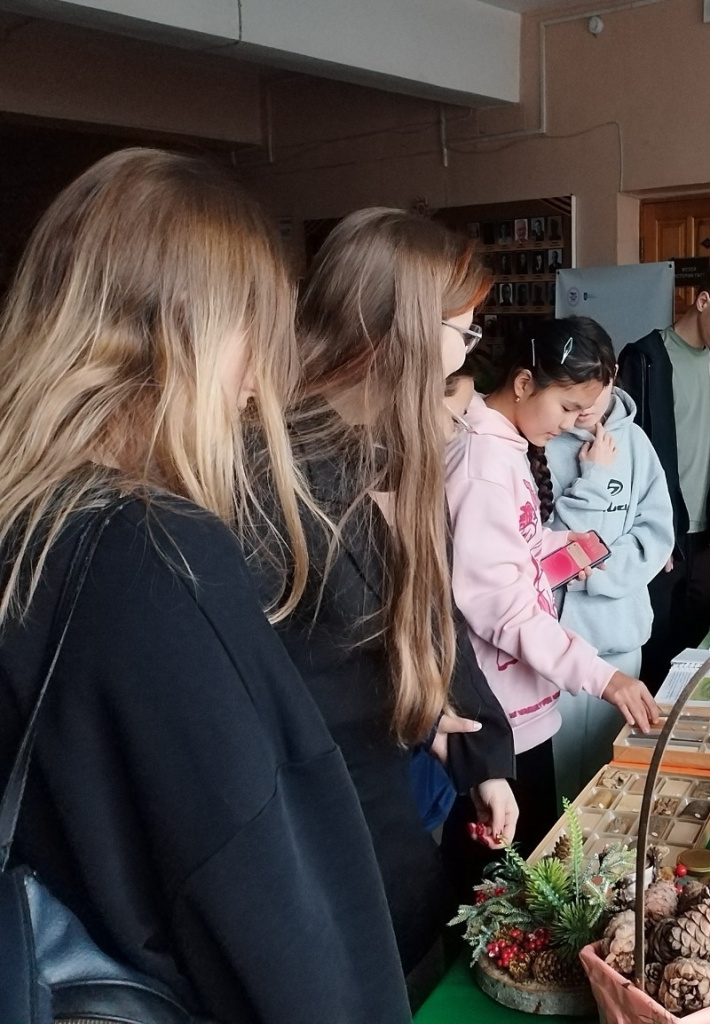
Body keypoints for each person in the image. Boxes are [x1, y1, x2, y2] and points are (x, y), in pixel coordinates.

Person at [0, 149, 409, 1021]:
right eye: (248, 337)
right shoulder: (151, 553)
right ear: (176, 336)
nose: (257, 383)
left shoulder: (29, 523)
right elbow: (273, 907)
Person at [280, 209, 518, 981]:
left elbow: (431, 613)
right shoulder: (272, 472)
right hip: (323, 853)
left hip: (393, 825)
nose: (466, 354)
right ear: (400, 329)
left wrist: (481, 757)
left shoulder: (380, 450)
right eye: (462, 332)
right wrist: (408, 705)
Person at [447, 317, 662, 851]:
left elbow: (512, 546)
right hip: (498, 709)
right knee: (511, 868)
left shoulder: (503, 446)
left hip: (516, 704)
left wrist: (560, 545)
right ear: (524, 383)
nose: (571, 424)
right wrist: (604, 677)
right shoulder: (483, 462)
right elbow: (502, 606)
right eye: (566, 407)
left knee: (533, 854)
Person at [618, 256, 710, 685]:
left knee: (694, 650)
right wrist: (644, 531)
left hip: (703, 536)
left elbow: (702, 432)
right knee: (653, 651)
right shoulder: (644, 359)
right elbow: (628, 451)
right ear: (702, 301)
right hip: (659, 534)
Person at [545, 372, 675, 799]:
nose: (584, 403)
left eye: (594, 389)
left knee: (613, 771)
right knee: (562, 785)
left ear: (612, 377)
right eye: (572, 391)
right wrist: (593, 480)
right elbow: (545, 551)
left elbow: (655, 535)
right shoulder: (542, 438)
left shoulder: (634, 441)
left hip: (620, 631)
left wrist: (593, 573)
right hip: (557, 643)